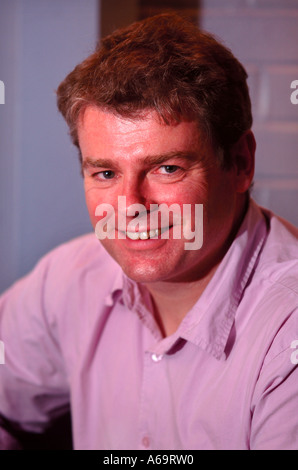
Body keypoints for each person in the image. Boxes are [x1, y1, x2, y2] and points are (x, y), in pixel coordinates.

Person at [0, 12, 297, 451]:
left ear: (240, 163)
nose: (130, 207)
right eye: (105, 173)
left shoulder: (286, 332)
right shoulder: (67, 278)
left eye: (167, 168)